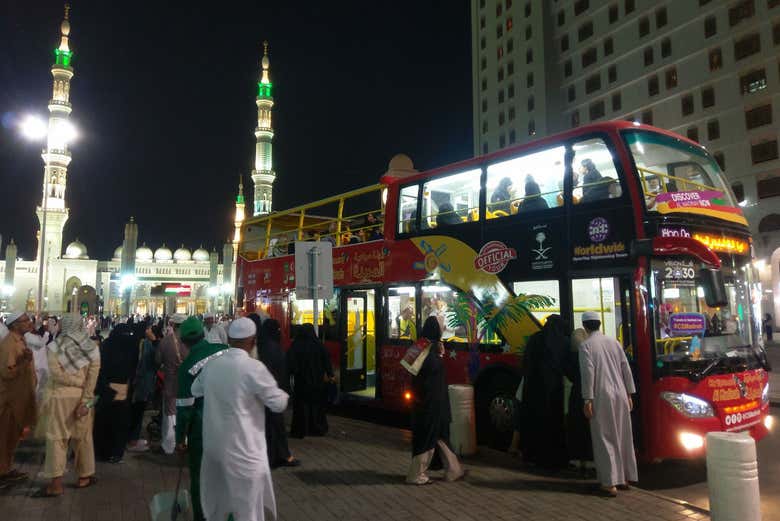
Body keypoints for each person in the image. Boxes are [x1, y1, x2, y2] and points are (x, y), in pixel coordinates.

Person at [192, 317, 288, 521]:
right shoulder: (254, 368)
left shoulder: (212, 365)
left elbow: (195, 389)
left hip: (214, 451)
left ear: (228, 338)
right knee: (248, 512)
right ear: (253, 341)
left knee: (218, 509)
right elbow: (278, 403)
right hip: (243, 453)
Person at [35, 314, 100, 497]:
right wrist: (86, 401)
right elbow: (92, 379)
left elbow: (54, 374)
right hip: (81, 398)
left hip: (58, 397)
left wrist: (69, 381)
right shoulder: (92, 349)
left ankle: (56, 484)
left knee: (57, 439)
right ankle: (84, 476)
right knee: (83, 438)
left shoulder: (54, 347)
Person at [175, 317, 229, 521]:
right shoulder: (225, 350)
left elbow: (184, 409)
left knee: (201, 481)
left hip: (203, 432)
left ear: (183, 342)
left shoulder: (187, 367)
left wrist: (180, 440)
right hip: (231, 427)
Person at [579, 311, 637, 497]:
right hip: (620, 392)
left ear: (585, 326)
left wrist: (588, 399)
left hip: (601, 394)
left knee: (604, 437)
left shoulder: (586, 345)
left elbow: (588, 373)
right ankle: (626, 478)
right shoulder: (614, 342)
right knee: (623, 435)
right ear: (599, 324)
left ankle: (610, 483)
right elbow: (625, 368)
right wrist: (629, 393)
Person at [406, 317, 464, 485]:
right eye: (441, 326)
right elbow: (430, 372)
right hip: (430, 401)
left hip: (427, 399)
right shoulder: (429, 348)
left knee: (439, 434)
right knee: (429, 436)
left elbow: (410, 371)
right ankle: (415, 475)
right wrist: (437, 354)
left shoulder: (419, 345)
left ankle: (454, 470)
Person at [517, 315, 568, 468]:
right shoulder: (562, 342)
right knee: (552, 424)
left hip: (533, 388)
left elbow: (526, 362)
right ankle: (552, 459)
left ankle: (532, 456)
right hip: (553, 390)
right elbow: (566, 366)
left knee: (534, 422)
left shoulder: (535, 338)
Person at [255, 317, 299, 468]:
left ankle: (276, 456)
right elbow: (280, 372)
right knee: (275, 426)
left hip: (261, 394)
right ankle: (279, 456)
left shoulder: (260, 346)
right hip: (273, 393)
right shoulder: (273, 348)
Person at [0, 312, 37, 485]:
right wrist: (23, 362)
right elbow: (7, 373)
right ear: (15, 325)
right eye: (25, 320)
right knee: (5, 438)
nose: (29, 322)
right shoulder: (9, 344)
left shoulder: (20, 340)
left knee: (11, 438)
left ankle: (5, 469)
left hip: (18, 398)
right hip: (10, 401)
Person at [93, 323, 138, 463]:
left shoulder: (106, 346)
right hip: (120, 390)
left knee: (104, 422)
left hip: (107, 390)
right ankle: (115, 453)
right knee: (118, 423)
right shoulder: (131, 347)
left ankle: (102, 452)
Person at [287, 323, 334, 438]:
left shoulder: (296, 345)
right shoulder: (319, 345)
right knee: (316, 406)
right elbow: (326, 361)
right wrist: (330, 374)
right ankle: (317, 428)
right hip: (317, 382)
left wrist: (293, 373)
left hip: (301, 381)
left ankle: (301, 430)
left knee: (301, 407)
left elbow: (290, 363)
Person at [155, 313, 189, 454]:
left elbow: (157, 361)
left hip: (170, 383)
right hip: (187, 385)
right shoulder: (191, 341)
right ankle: (183, 442)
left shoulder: (165, 342)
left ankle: (168, 446)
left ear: (172, 325)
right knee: (185, 413)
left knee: (169, 415)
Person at [127, 324, 162, 453]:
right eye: (147, 329)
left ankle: (132, 438)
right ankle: (133, 441)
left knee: (135, 410)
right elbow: (157, 358)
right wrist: (154, 340)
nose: (149, 331)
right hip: (142, 382)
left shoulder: (135, 341)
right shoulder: (146, 344)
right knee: (138, 410)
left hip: (135, 381)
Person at [563, 327, 593, 473]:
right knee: (588, 428)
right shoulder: (590, 354)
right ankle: (589, 460)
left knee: (575, 426)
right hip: (590, 395)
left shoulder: (570, 357)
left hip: (575, 395)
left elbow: (568, 373)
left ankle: (576, 459)